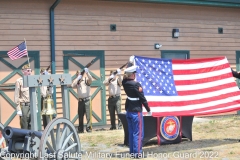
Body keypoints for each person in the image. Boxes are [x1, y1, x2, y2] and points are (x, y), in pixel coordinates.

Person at [122, 65, 151, 158]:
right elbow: (142, 98)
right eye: (134, 73)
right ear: (133, 74)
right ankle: (138, 153)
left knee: (131, 133)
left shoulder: (124, 82)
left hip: (129, 110)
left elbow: (123, 79)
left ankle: (132, 152)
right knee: (138, 133)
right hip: (136, 111)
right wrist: (148, 109)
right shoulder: (136, 85)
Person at [14, 64, 37, 129]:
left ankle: (31, 139)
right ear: (23, 71)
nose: (30, 72)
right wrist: (18, 109)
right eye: (28, 71)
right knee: (24, 125)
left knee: (32, 124)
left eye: (30, 71)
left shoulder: (33, 80)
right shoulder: (19, 81)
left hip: (32, 105)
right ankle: (24, 138)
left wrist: (36, 105)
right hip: (24, 106)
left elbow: (34, 94)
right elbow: (16, 96)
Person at [71, 68, 93, 133]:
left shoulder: (86, 80)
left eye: (79, 74)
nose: (78, 75)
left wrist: (87, 73)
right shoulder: (77, 81)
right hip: (80, 101)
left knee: (88, 115)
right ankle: (80, 129)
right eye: (77, 74)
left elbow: (91, 80)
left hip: (87, 100)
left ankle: (89, 128)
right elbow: (72, 85)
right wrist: (77, 79)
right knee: (80, 115)